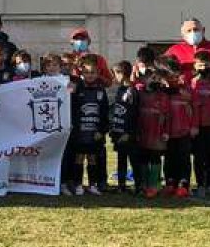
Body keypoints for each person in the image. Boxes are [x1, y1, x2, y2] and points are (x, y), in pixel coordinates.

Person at [68, 56, 110, 196]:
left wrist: (102, 130)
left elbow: (105, 112)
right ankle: (78, 185)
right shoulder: (76, 89)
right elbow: (72, 110)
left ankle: (93, 185)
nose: (89, 75)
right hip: (80, 132)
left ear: (97, 73)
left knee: (93, 159)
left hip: (94, 133)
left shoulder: (100, 91)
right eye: (86, 72)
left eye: (92, 72)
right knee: (78, 158)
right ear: (81, 73)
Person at [188, 50, 210, 197]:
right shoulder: (192, 83)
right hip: (198, 126)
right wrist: (193, 125)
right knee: (199, 157)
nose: (203, 68)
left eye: (206, 65)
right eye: (200, 65)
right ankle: (201, 184)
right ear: (195, 66)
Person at [161, 57, 196, 198]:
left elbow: (193, 108)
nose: (173, 78)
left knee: (184, 158)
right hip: (168, 133)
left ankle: (184, 184)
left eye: (176, 75)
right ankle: (170, 182)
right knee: (169, 158)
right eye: (169, 76)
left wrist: (193, 126)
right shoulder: (163, 92)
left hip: (183, 131)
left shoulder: (185, 90)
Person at [135, 67, 171, 198]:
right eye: (152, 78)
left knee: (155, 157)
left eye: (157, 78)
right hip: (143, 131)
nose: (155, 80)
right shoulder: (140, 94)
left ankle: (154, 184)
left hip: (158, 131)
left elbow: (167, 115)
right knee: (143, 157)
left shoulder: (163, 95)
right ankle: (144, 183)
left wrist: (166, 131)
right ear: (145, 79)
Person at [164, 18, 210, 84]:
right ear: (182, 35)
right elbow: (162, 70)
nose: (193, 32)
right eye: (189, 31)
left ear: (203, 30)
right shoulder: (174, 50)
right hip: (183, 93)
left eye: (196, 29)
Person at [109, 61, 139, 194]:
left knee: (133, 159)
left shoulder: (131, 91)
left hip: (128, 134)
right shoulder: (120, 90)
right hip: (118, 131)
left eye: (115, 74)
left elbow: (134, 114)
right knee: (121, 159)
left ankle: (139, 185)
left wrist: (129, 132)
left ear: (122, 74)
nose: (114, 77)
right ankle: (121, 185)